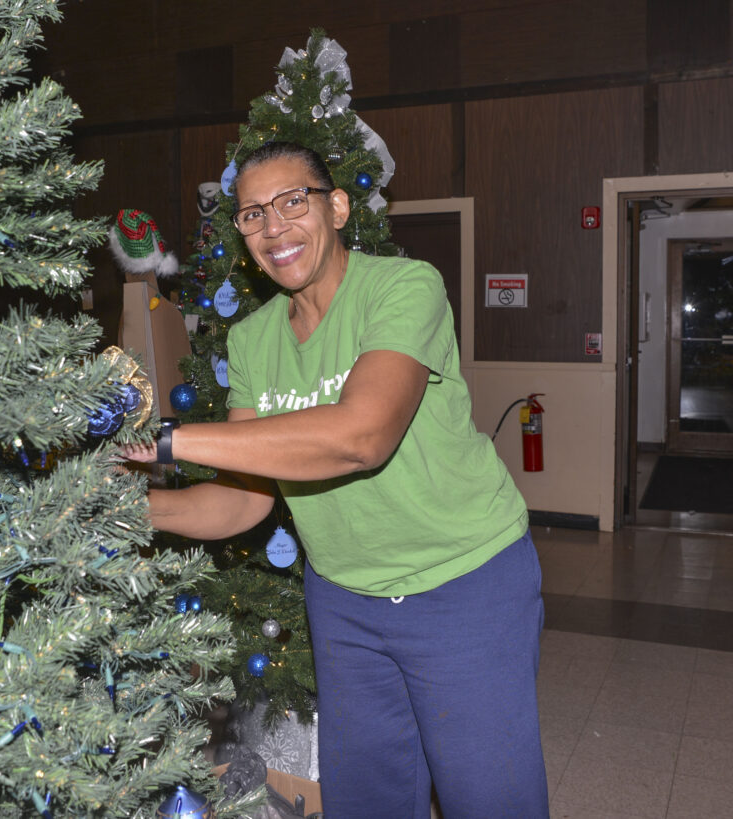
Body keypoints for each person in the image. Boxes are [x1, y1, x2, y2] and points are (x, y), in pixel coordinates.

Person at [123, 141, 549, 819]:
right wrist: (123, 511)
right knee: (370, 798)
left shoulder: (404, 288)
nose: (274, 227)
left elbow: (362, 437)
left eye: (294, 201)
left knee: (488, 795)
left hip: (464, 580)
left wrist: (167, 441)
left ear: (338, 206)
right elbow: (241, 499)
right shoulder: (254, 339)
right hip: (346, 599)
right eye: (253, 214)